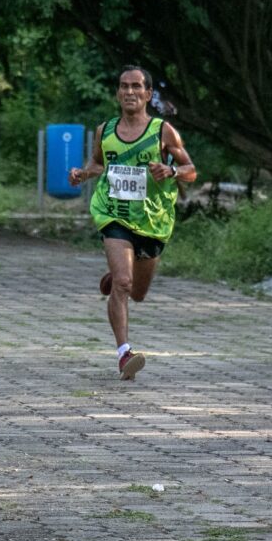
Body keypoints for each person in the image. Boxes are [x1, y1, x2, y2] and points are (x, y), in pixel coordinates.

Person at [68, 66, 197, 380]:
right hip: (113, 212)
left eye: (137, 86)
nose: (129, 92)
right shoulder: (106, 130)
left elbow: (191, 170)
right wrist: (84, 173)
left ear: (148, 94)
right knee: (125, 284)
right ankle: (124, 354)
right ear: (117, 93)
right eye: (124, 86)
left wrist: (172, 172)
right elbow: (99, 162)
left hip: (152, 219)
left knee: (137, 292)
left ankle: (116, 276)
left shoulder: (163, 131)